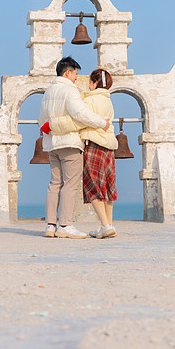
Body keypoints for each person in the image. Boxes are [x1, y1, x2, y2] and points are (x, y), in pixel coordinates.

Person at [38, 57, 110, 239]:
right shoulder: (70, 90)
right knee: (70, 185)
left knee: (54, 184)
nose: (77, 78)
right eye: (76, 73)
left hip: (51, 144)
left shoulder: (48, 92)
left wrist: (51, 127)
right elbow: (81, 114)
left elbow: (42, 121)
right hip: (69, 144)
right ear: (67, 72)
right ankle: (65, 225)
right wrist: (101, 123)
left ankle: (50, 225)